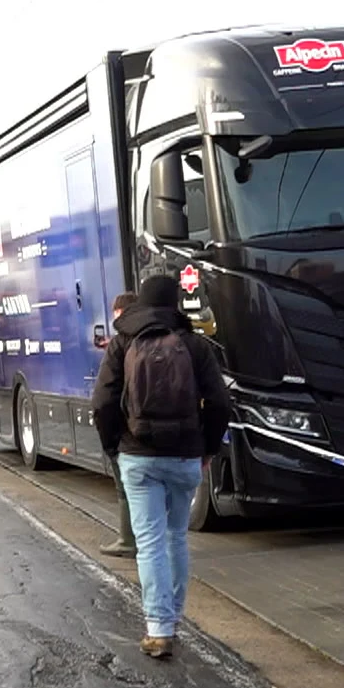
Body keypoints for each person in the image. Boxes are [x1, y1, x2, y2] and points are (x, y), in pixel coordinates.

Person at [90, 274, 231, 660]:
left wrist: (113, 447)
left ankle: (159, 628)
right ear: (175, 305)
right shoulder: (194, 345)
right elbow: (220, 404)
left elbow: (102, 401)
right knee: (176, 538)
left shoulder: (123, 343)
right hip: (186, 456)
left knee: (148, 543)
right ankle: (175, 618)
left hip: (137, 457)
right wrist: (208, 449)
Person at [98, 292, 141, 559]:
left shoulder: (120, 343)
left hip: (128, 429)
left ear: (120, 313)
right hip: (170, 431)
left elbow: (103, 397)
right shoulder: (167, 336)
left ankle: (127, 539)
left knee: (125, 485)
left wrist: (108, 438)